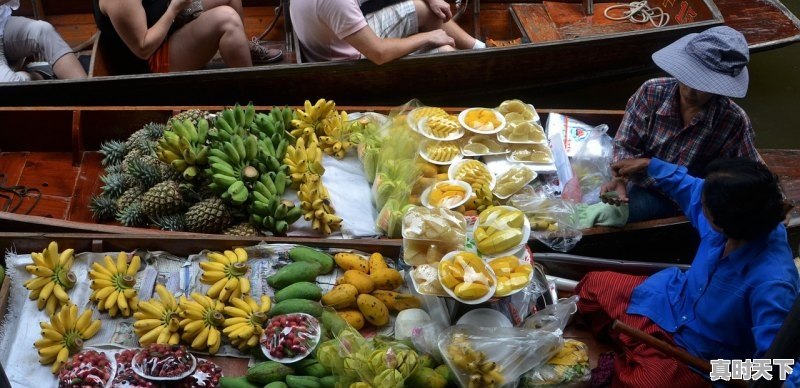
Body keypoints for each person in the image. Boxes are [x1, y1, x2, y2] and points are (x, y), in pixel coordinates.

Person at [579, 157, 799, 387]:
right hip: (671, 303)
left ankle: (641, 357)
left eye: (704, 206)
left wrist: (724, 370)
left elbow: (782, 368)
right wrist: (650, 165)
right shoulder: (730, 216)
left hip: (700, 356)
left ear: (721, 222)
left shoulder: (774, 283)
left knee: (642, 382)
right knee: (592, 286)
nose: (698, 203)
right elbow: (688, 185)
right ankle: (641, 354)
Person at [600, 26, 760, 222]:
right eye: (688, 77)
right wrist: (619, 178)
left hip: (689, 198)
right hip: (644, 182)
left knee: (615, 217)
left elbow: (751, 173)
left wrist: (775, 203)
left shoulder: (733, 120)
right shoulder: (651, 92)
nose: (691, 91)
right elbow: (625, 144)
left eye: (704, 85)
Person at [93, 0, 282, 74]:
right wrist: (174, 9)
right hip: (149, 64)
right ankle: (251, 104)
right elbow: (143, 48)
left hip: (166, 27)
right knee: (227, 20)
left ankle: (244, 48)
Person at [291, 0, 485, 64]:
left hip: (342, 37)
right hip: (350, 60)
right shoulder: (336, 2)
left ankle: (480, 50)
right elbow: (379, 53)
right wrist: (428, 37)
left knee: (426, 9)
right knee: (445, 55)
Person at [0, 0, 87, 82]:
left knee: (44, 30)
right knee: (12, 83)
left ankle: (88, 90)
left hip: (2, 26)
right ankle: (36, 76)